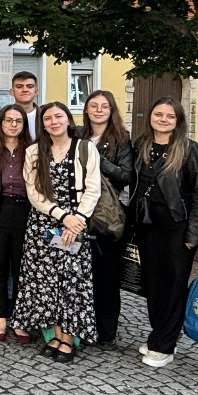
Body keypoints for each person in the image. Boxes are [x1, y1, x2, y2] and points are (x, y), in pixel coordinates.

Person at [14, 102, 100, 361]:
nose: (53, 121)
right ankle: (54, 334)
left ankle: (68, 338)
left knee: (71, 282)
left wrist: (77, 220)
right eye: (48, 118)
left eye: (58, 116)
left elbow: (92, 188)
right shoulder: (33, 152)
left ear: (68, 119)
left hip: (76, 225)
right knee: (45, 282)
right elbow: (34, 193)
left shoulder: (85, 148)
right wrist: (62, 217)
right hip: (44, 225)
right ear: (42, 124)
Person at [129, 96, 198, 368]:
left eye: (169, 116)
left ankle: (165, 344)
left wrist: (193, 235)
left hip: (177, 228)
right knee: (152, 284)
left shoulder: (188, 149)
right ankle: (157, 335)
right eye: (158, 114)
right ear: (150, 116)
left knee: (174, 285)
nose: (163, 119)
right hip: (147, 226)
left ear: (178, 121)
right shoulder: (141, 145)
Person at [82, 90, 134, 347]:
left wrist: (96, 159)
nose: (99, 110)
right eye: (94, 105)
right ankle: (83, 324)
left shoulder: (121, 139)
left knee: (107, 277)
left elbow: (125, 175)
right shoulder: (78, 135)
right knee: (83, 274)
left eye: (104, 106)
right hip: (81, 213)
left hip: (108, 216)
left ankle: (106, 332)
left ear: (112, 110)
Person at [0, 104, 29, 342]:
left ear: (24, 125)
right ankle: (1, 318)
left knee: (22, 269)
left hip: (24, 211)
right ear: (0, 123)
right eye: (8, 120)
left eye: (18, 121)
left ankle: (20, 319)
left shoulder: (32, 150)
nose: (13, 124)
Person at [11, 72, 40, 141]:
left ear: (36, 92)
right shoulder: (0, 119)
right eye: (19, 86)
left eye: (30, 86)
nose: (25, 90)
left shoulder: (46, 118)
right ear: (12, 92)